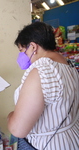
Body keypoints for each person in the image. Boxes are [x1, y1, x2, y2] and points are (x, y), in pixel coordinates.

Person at [7, 22, 79, 150]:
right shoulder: (68, 65)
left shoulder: (40, 72)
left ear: (33, 47)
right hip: (72, 138)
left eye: (22, 51)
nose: (21, 56)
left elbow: (18, 130)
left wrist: (10, 116)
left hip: (46, 144)